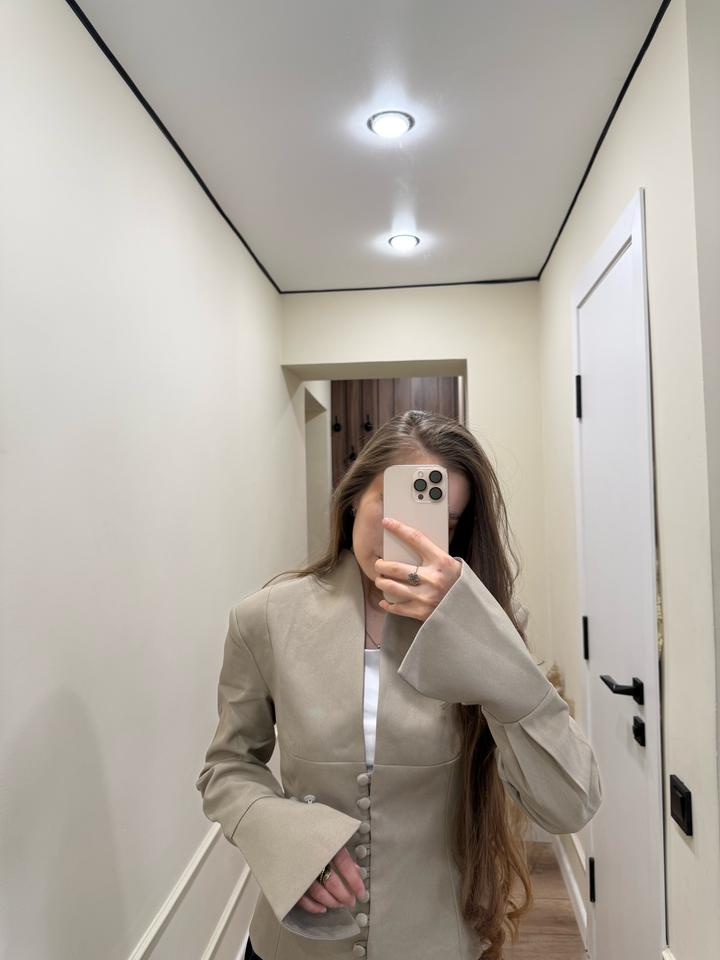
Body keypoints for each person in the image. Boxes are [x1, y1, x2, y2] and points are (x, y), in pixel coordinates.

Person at [196, 410, 602, 960]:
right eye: (392, 509)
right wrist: (287, 838)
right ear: (353, 499)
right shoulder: (265, 619)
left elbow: (570, 804)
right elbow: (227, 766)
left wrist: (482, 634)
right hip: (294, 943)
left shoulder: (491, 630)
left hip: (433, 939)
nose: (406, 536)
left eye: (440, 521)